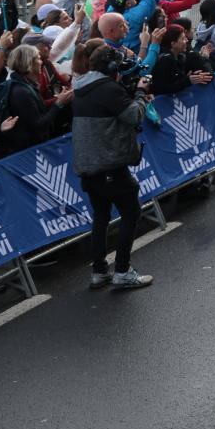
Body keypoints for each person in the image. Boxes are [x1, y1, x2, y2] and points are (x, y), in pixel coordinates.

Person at [70, 40, 155, 290]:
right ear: (110, 67)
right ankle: (122, 271)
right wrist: (140, 93)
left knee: (101, 216)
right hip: (109, 165)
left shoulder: (82, 88)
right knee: (131, 212)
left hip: (90, 167)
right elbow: (134, 116)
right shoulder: (107, 89)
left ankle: (99, 271)